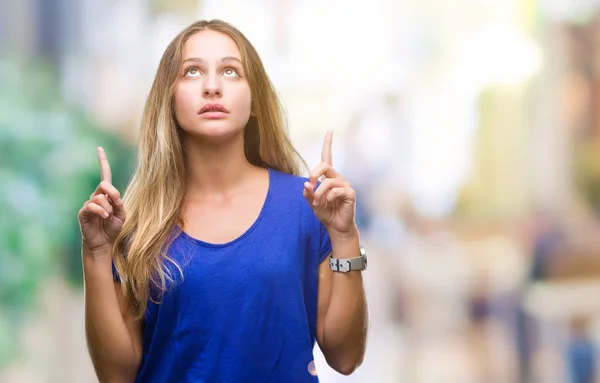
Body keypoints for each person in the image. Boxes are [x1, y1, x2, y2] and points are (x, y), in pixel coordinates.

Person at [77, 19, 368, 383]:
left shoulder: (306, 207)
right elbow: (116, 375)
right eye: (192, 71)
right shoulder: (137, 222)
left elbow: (345, 358)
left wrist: (344, 236)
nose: (212, 87)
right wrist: (96, 253)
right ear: (170, 98)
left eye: (230, 71)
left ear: (255, 101)